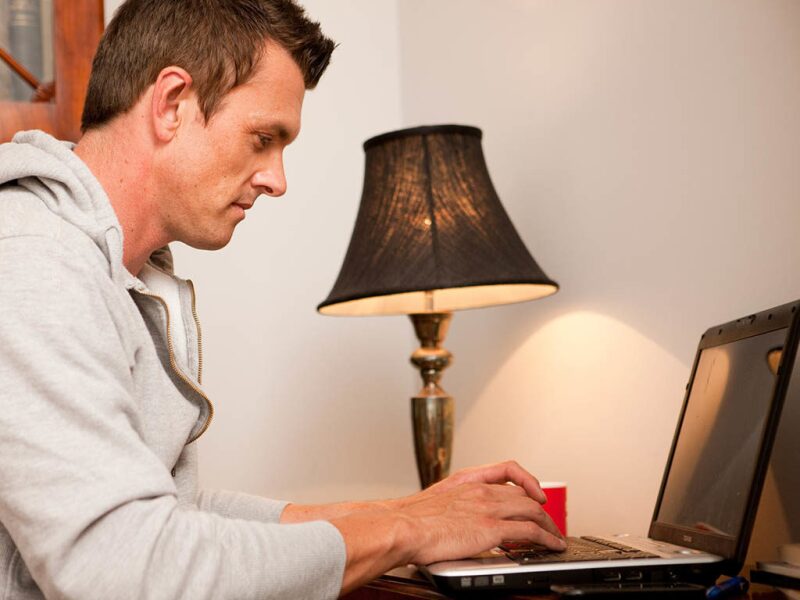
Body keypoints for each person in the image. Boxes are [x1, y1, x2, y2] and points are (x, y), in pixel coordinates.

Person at [0, 0, 566, 598]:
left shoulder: (119, 271)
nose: (277, 179)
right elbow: (125, 569)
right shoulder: (33, 259)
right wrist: (406, 531)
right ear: (171, 104)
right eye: (263, 138)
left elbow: (178, 516)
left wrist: (409, 511)